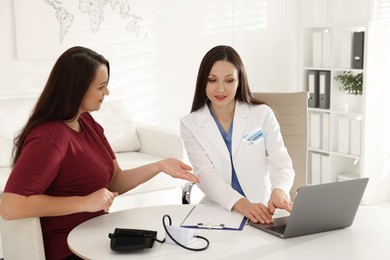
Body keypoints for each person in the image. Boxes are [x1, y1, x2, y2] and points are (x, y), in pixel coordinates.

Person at [0, 46, 199, 260]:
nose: (107, 93)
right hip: (68, 249)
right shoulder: (49, 138)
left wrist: (159, 166)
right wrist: (84, 202)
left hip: (97, 238)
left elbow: (114, 181)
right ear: (77, 89)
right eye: (101, 87)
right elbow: (11, 206)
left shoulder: (86, 122)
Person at [180, 45, 295, 225]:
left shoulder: (262, 114)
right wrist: (240, 204)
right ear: (203, 81)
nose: (220, 89)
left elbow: (280, 160)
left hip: (263, 211)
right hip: (218, 211)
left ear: (239, 81)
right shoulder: (190, 124)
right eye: (212, 80)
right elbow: (204, 173)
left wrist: (279, 190)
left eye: (229, 80)